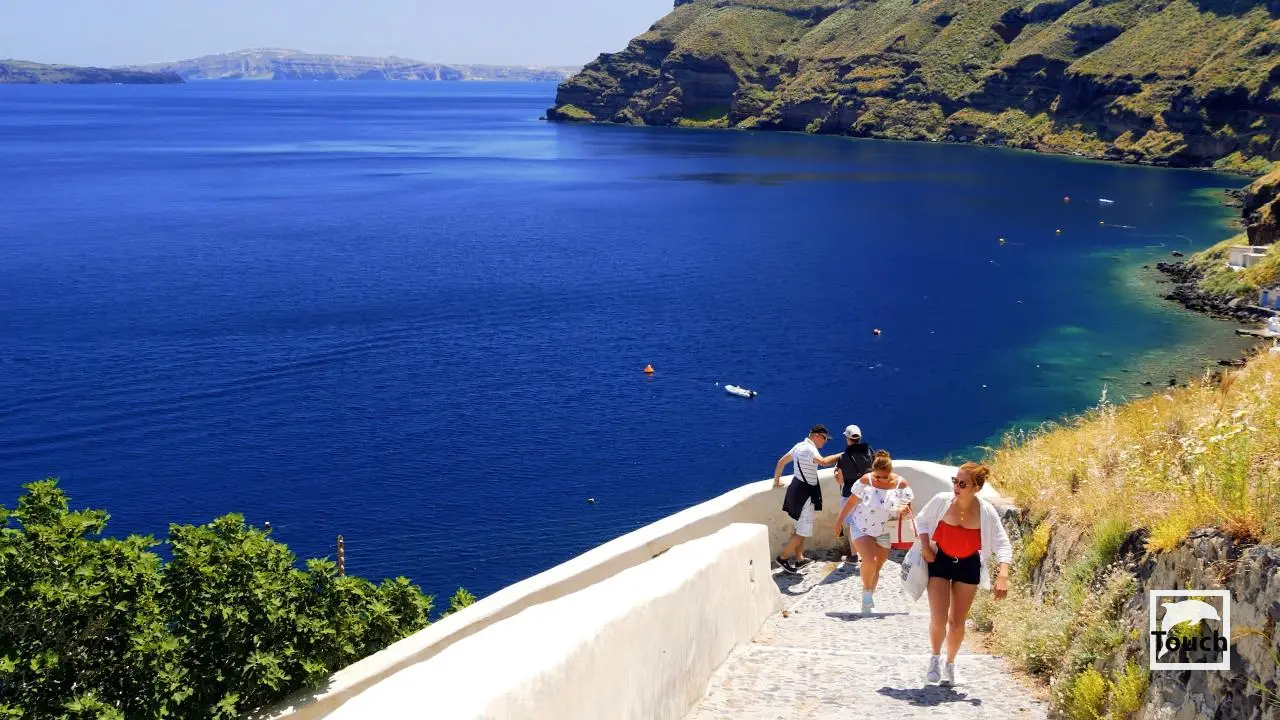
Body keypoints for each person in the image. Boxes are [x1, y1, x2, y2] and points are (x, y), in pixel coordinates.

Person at [914, 462, 1013, 686]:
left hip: (968, 565)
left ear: (976, 488)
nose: (956, 487)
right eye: (955, 481)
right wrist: (925, 547)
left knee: (957, 622)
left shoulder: (986, 512)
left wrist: (1003, 575)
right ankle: (935, 658)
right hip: (940, 561)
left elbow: (1002, 543)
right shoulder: (942, 501)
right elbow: (922, 520)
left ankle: (950, 664)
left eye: (962, 484)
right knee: (939, 618)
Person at [833, 450, 912, 613]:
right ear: (873, 471)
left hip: (885, 530)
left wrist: (904, 511)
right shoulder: (865, 481)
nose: (882, 480)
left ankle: (867, 593)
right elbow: (851, 502)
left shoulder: (901, 484)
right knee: (869, 560)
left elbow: (907, 509)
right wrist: (839, 521)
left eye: (885, 477)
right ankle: (867, 596)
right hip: (861, 526)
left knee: (877, 566)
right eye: (878, 477)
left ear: (891, 471)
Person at [772, 424, 841, 574]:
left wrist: (776, 481)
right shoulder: (810, 449)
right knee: (803, 531)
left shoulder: (798, 446)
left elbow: (781, 462)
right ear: (816, 435)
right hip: (805, 494)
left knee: (799, 527)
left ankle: (799, 559)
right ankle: (783, 558)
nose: (825, 441)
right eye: (824, 438)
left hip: (795, 489)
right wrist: (841, 455)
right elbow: (823, 462)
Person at [834, 425, 876, 563]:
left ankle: (854, 555)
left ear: (847, 438)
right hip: (868, 492)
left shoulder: (843, 457)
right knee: (867, 523)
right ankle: (868, 552)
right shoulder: (869, 451)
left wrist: (836, 473)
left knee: (853, 525)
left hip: (850, 494)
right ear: (860, 438)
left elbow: (840, 480)